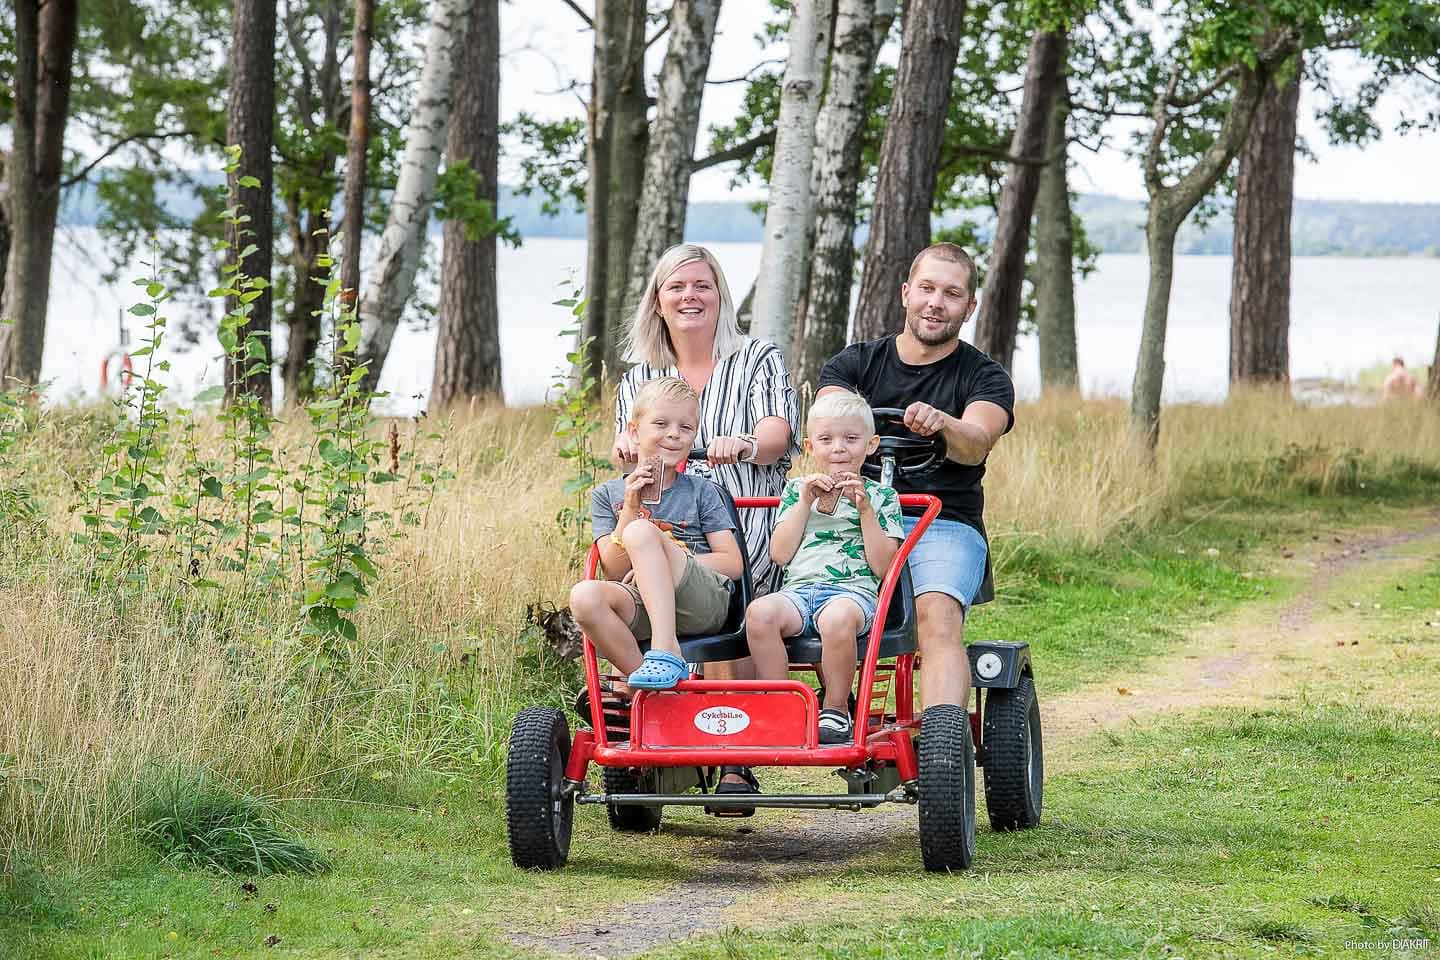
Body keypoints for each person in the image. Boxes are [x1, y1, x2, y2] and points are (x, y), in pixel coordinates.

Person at [613, 243, 800, 795]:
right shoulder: (640, 376)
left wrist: (742, 444)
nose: (690, 296)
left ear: (720, 296)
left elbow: (777, 434)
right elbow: (627, 436)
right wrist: (626, 441)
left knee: (728, 593)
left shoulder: (755, 360)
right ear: (658, 300)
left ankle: (736, 757)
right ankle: (647, 717)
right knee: (622, 562)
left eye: (702, 285)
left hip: (748, 520)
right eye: (677, 286)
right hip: (667, 522)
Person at [816, 242, 1014, 725]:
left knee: (937, 616)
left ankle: (942, 742)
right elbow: (826, 420)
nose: (935, 302)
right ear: (906, 293)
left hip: (942, 522)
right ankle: (834, 715)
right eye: (926, 288)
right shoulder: (854, 365)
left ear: (969, 307)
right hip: (853, 516)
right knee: (807, 607)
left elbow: (976, 441)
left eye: (951, 294)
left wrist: (943, 423)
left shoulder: (984, 376)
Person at [745, 390, 905, 744]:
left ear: (871, 444)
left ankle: (836, 709)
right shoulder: (795, 491)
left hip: (853, 594)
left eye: (851, 439)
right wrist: (804, 503)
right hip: (798, 593)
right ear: (810, 446)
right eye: (826, 440)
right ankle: (780, 703)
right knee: (759, 613)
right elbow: (780, 554)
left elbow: (882, 566)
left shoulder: (882, 497)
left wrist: (865, 511)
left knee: (836, 620)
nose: (838, 449)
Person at [569, 378, 744, 690]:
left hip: (701, 601)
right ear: (635, 431)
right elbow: (615, 569)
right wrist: (630, 505)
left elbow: (732, 564)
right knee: (583, 597)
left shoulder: (702, 492)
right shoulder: (607, 495)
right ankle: (654, 691)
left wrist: (665, 557)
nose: (674, 434)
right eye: (661, 423)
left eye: (685, 428)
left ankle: (665, 651)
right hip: (641, 600)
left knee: (641, 533)